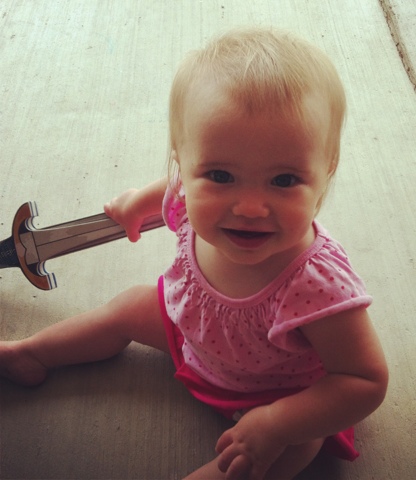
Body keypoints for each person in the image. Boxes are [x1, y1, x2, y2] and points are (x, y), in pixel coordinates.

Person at [0, 28, 388, 480]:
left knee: (299, 446)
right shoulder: (189, 193)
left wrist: (279, 422)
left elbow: (365, 380)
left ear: (327, 169)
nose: (249, 207)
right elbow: (173, 186)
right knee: (129, 306)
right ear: (183, 164)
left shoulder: (317, 284)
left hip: (276, 392)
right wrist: (138, 203)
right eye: (221, 175)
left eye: (283, 180)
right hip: (192, 337)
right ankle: (30, 354)